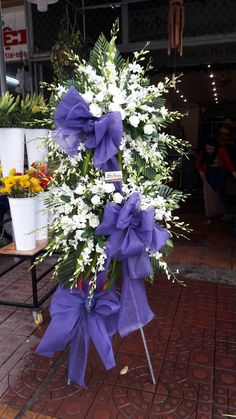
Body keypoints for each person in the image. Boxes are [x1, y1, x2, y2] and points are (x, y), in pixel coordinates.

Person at [196, 138, 236, 221]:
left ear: (215, 148)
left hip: (221, 170)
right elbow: (198, 162)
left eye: (211, 149)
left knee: (222, 188)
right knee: (212, 187)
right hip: (211, 170)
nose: (209, 151)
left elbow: (228, 163)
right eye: (207, 149)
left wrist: (234, 174)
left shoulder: (221, 150)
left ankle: (223, 210)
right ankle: (213, 209)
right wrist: (201, 172)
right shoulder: (204, 152)